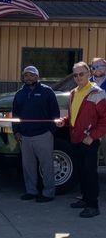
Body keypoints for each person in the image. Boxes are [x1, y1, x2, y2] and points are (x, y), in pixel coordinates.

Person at [57, 61, 106, 218]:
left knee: (90, 173)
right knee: (81, 172)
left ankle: (93, 206)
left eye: (81, 74)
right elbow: (74, 116)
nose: (78, 77)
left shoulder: (97, 93)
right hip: (76, 139)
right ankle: (85, 199)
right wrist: (64, 121)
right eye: (76, 75)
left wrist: (92, 136)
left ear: (89, 74)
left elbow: (104, 120)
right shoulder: (73, 93)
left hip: (89, 140)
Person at [12, 66, 60, 202]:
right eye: (26, 75)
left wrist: (50, 131)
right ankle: (31, 191)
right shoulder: (20, 94)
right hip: (25, 136)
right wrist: (16, 131)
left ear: (37, 77)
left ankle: (48, 193)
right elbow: (15, 114)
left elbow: (55, 114)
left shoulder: (47, 91)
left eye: (31, 75)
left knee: (47, 166)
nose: (28, 78)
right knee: (28, 167)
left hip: (43, 135)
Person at [89, 58, 106, 164]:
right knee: (92, 157)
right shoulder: (86, 83)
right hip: (91, 126)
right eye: (94, 67)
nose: (97, 69)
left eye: (100, 66)